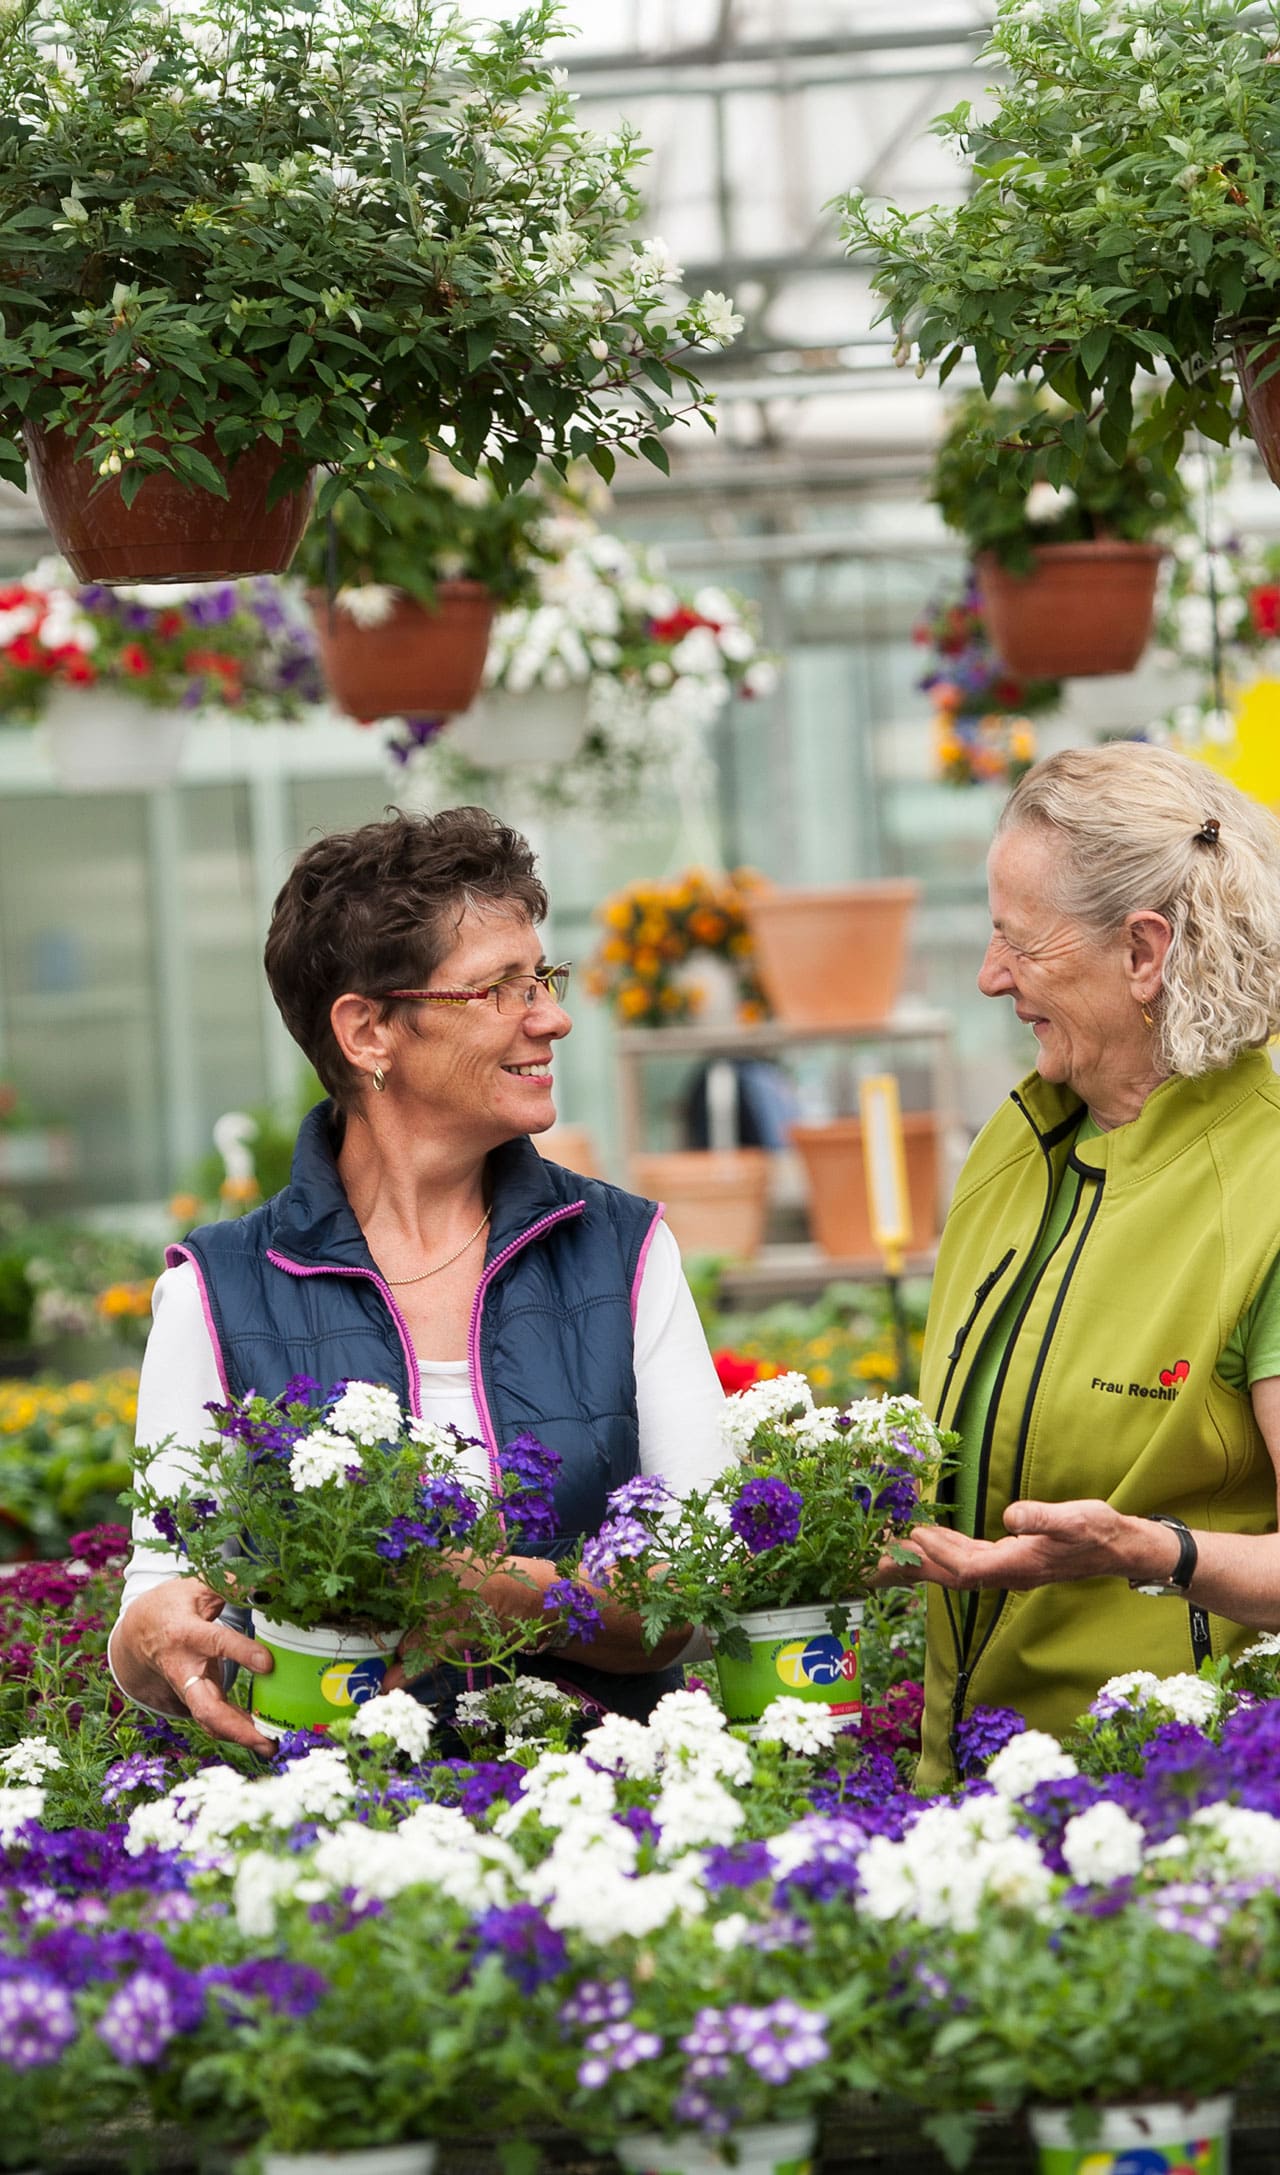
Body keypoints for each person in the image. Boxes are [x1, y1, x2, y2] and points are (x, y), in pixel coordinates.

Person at [109, 806, 728, 1753]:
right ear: (367, 1031)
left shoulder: (624, 1248)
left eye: (543, 977)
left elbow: (702, 1587)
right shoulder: (217, 1288)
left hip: (612, 1812)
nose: (552, 1016)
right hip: (335, 1828)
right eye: (499, 991)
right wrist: (150, 1639)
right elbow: (161, 1587)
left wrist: (534, 1599)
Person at [896, 745, 1280, 1788]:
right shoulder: (1015, 1148)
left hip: (1172, 1816)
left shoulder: (1265, 1191)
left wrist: (1151, 1552)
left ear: (1141, 952)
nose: (988, 977)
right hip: (969, 1792)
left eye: (1015, 942)